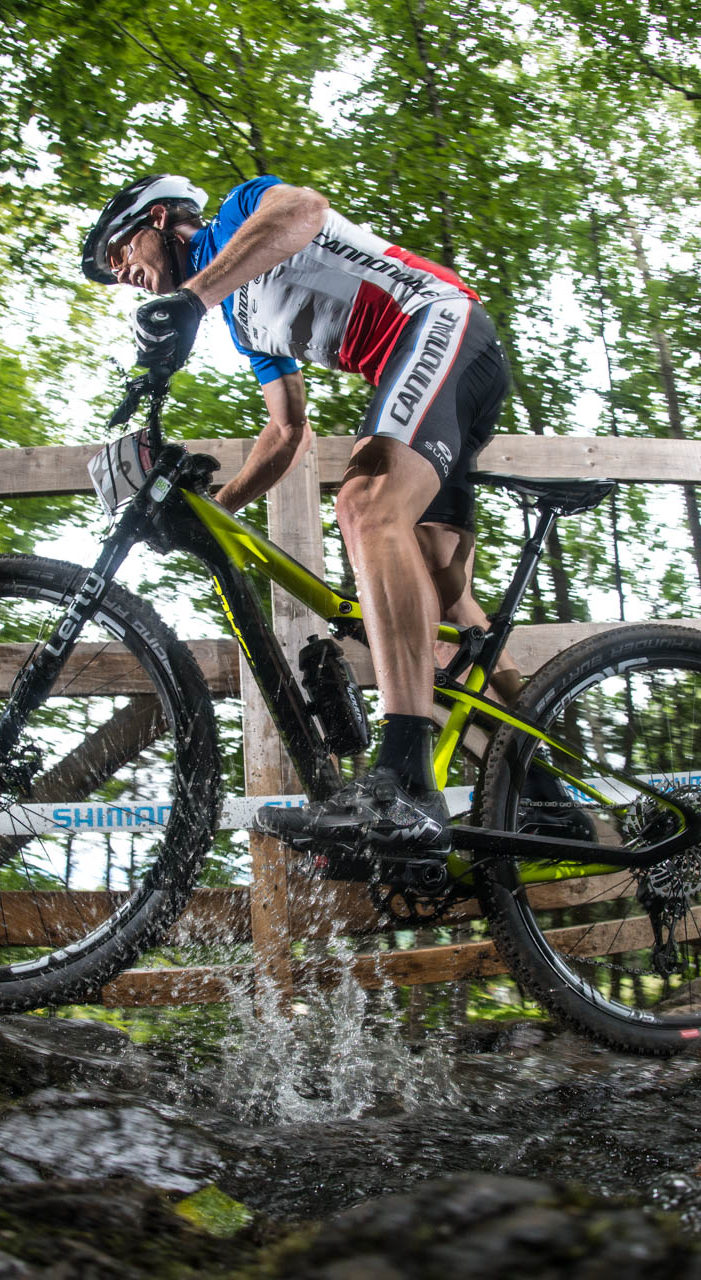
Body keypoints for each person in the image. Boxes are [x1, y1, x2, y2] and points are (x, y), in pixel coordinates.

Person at [87, 173, 557, 859]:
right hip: (445, 374)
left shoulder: (242, 216)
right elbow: (287, 434)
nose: (122, 274)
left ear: (161, 218)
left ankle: (404, 782)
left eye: (120, 251)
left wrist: (192, 297)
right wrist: (214, 511)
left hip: (440, 322)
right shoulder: (243, 322)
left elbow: (303, 211)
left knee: (365, 505)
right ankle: (551, 790)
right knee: (438, 594)